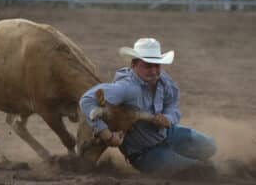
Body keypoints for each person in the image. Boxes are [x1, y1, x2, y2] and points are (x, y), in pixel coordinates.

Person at [78, 38, 216, 175]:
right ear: (134, 65)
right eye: (148, 66)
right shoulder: (126, 87)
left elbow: (172, 106)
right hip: (145, 154)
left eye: (157, 65)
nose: (154, 71)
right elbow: (86, 100)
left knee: (210, 147)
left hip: (168, 134)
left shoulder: (164, 81)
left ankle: (184, 160)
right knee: (200, 171)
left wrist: (168, 118)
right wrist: (106, 135)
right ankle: (186, 163)